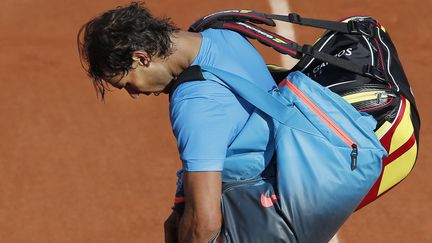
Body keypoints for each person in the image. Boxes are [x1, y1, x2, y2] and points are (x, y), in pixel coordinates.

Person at [77, 2, 276, 242]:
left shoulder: (195, 102)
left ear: (142, 58)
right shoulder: (223, 34)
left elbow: (205, 223)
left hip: (264, 215)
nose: (133, 93)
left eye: (128, 83)